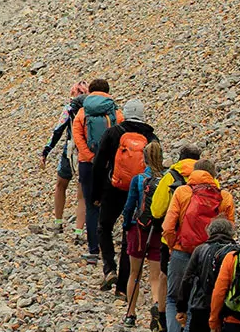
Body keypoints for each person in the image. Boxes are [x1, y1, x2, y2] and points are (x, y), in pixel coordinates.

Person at [163, 159, 232, 332]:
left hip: (182, 253)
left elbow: (168, 226)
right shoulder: (224, 197)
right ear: (213, 175)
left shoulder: (182, 192)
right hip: (210, 258)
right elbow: (229, 231)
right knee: (196, 310)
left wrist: (174, 246)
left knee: (173, 299)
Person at [92, 100, 157, 292]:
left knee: (104, 226)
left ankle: (109, 268)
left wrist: (96, 194)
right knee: (129, 234)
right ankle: (122, 287)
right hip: (139, 191)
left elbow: (98, 164)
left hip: (113, 187)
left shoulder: (113, 133)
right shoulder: (151, 137)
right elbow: (156, 169)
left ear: (125, 114)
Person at [177, 217, 239, 332]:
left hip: (201, 306)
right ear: (231, 233)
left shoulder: (200, 250)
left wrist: (181, 307)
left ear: (209, 232)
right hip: (227, 310)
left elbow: (187, 280)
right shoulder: (236, 252)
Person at [151, 145, 202, 332]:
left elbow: (157, 210)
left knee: (170, 289)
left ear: (180, 158)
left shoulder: (171, 176)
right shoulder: (210, 182)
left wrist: (170, 241)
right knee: (195, 296)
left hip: (175, 244)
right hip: (203, 248)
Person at [120, 139, 168, 329]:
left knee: (135, 273)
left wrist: (126, 226)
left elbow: (129, 206)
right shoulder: (167, 180)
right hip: (158, 230)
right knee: (156, 275)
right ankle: (156, 305)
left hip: (138, 229)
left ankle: (131, 313)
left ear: (145, 159)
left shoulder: (139, 179)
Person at [72, 79, 120, 266]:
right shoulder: (115, 111)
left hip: (87, 164)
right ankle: (108, 249)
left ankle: (93, 250)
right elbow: (120, 136)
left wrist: (91, 157)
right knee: (108, 205)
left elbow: (78, 137)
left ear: (90, 92)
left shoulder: (83, 112)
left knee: (91, 206)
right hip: (109, 165)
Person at [38, 81, 89, 238]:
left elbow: (58, 131)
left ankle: (58, 222)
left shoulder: (69, 109)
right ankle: (79, 231)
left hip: (70, 151)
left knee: (61, 184)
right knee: (82, 192)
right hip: (88, 152)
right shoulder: (94, 110)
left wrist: (45, 151)